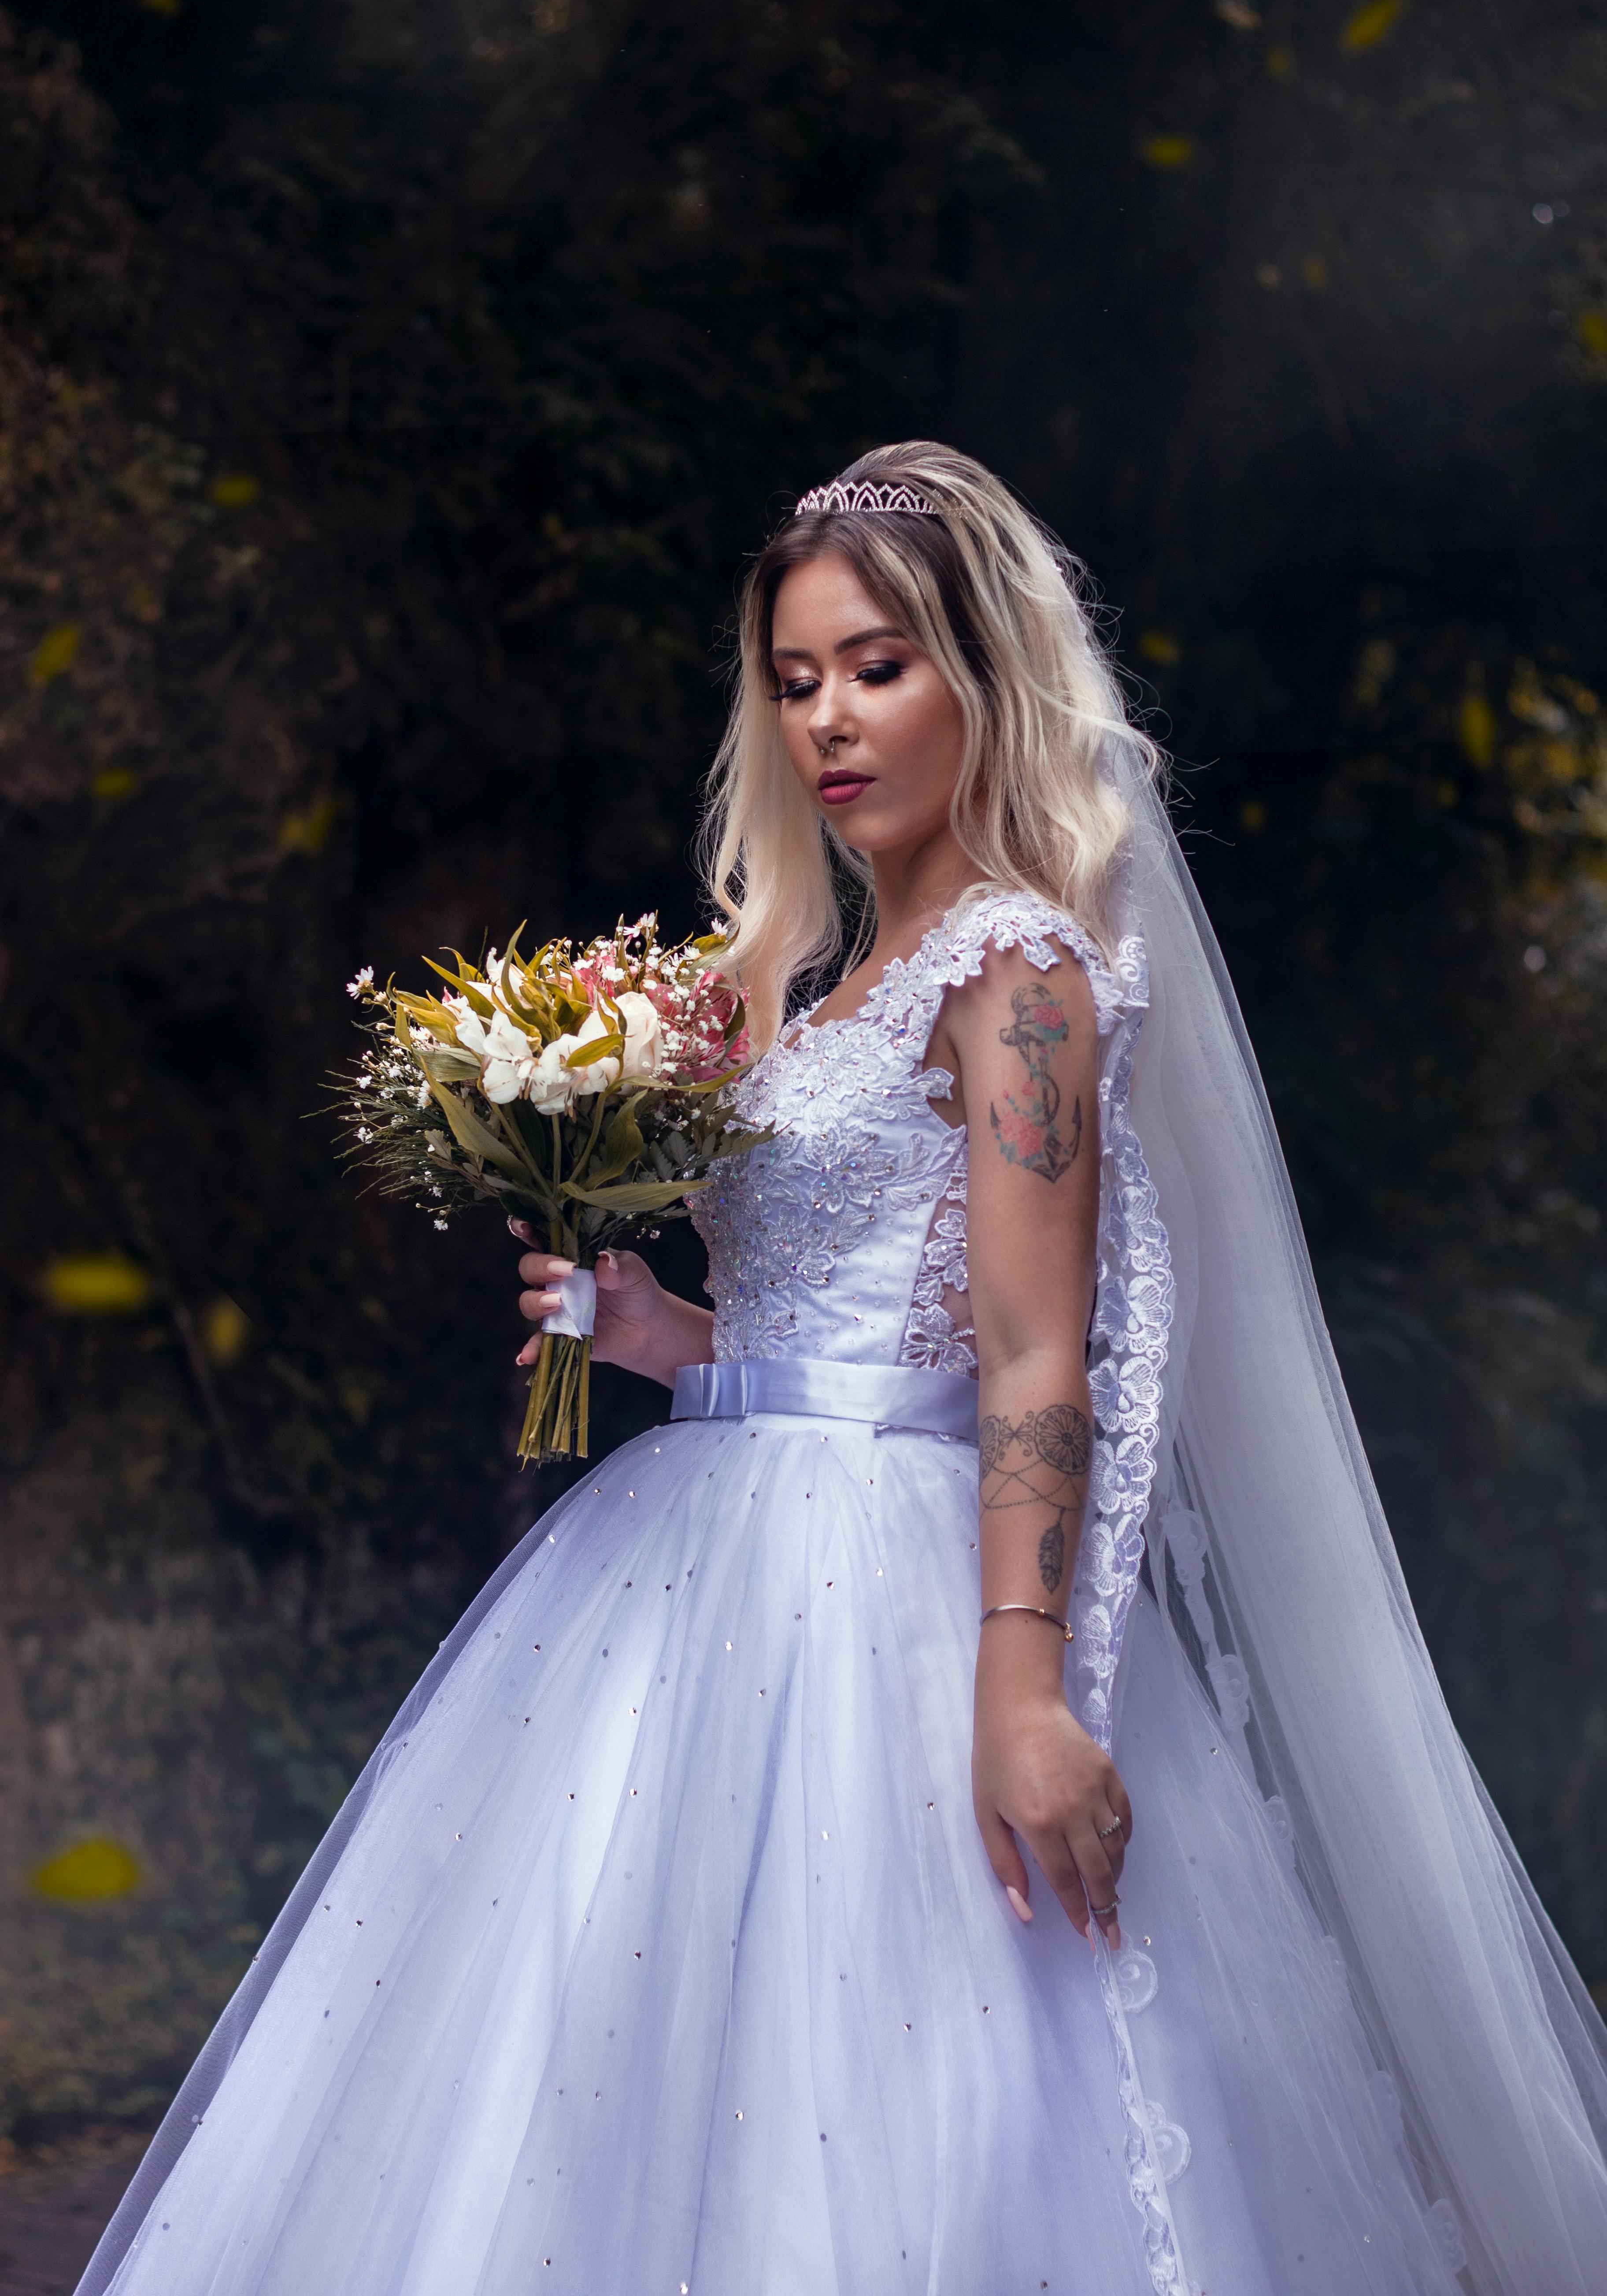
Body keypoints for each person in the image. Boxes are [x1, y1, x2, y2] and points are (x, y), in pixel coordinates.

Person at [82, 445, 1607, 2296]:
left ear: (983, 673)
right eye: (795, 680)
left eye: (877, 666)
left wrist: (1027, 1686)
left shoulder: (1023, 971)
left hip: (901, 1597)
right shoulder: (826, 983)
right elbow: (843, 1328)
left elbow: (1040, 1348)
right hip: (690, 1561)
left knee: (915, 2084)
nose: (829, 720)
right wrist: (655, 1334)